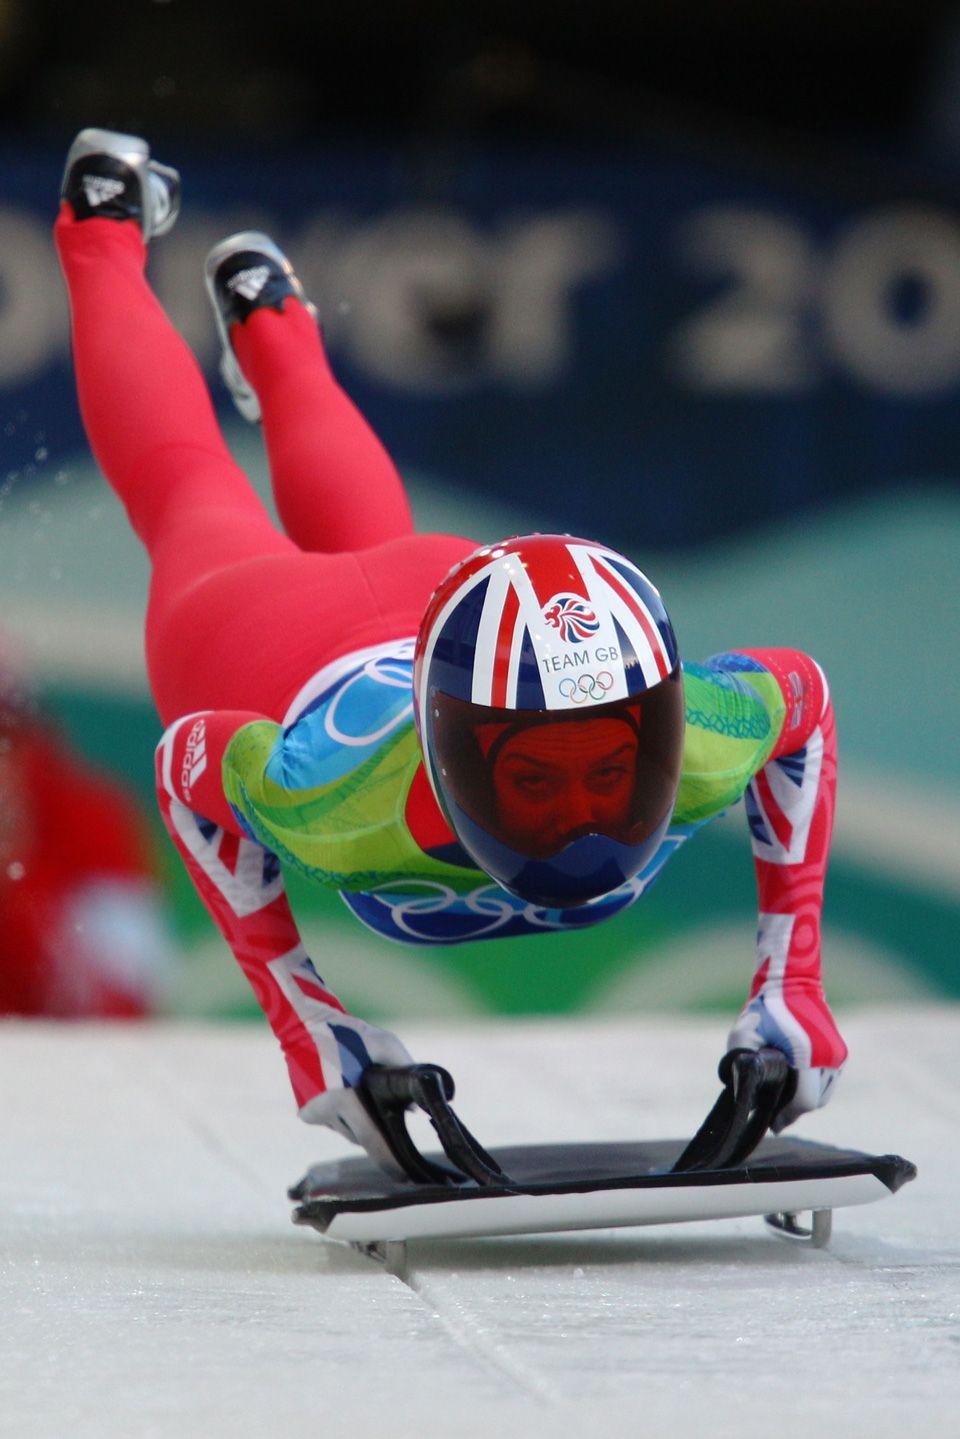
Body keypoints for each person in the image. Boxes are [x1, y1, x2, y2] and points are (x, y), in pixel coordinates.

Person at [55, 128, 847, 1164]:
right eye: (534, 780)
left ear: (656, 727)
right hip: (268, 630)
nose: (577, 822)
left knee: (227, 499)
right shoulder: (333, 795)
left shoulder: (696, 739)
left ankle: (265, 318)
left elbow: (804, 699)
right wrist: (309, 1027)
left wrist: (793, 986)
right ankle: (105, 231)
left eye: (612, 770)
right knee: (188, 488)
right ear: (455, 757)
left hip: (421, 600)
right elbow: (182, 765)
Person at [0, 634, 173, 1017]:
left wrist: (16, 883)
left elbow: (126, 998)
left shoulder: (89, 818)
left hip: (50, 1067)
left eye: (5, 736)